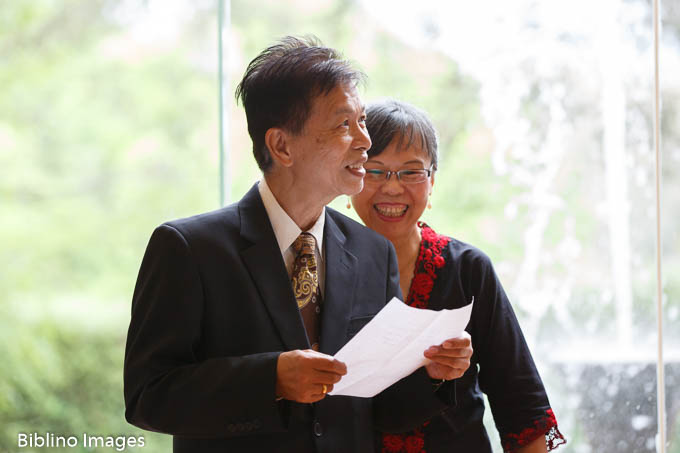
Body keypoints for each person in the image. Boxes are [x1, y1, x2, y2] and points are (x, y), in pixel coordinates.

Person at [123, 37, 472, 453]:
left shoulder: (372, 253)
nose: (364, 140)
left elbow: (384, 412)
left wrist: (434, 375)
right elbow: (148, 397)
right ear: (281, 145)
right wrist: (270, 379)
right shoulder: (189, 249)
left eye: (362, 121)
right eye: (345, 125)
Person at [350, 99, 567, 453]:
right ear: (352, 175)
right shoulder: (324, 267)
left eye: (411, 171)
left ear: (432, 180)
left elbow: (521, 404)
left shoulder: (468, 269)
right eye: (375, 170)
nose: (392, 187)